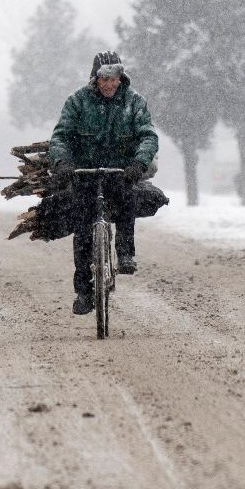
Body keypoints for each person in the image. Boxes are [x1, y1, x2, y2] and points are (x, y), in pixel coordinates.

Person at [48, 51, 159, 315]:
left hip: (120, 171)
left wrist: (138, 164)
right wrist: (63, 163)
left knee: (126, 200)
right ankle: (84, 291)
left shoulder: (134, 103)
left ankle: (125, 252)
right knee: (83, 230)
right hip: (84, 173)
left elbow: (148, 136)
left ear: (121, 78)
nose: (109, 84)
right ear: (95, 79)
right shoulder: (77, 102)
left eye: (114, 78)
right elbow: (60, 136)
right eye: (104, 79)